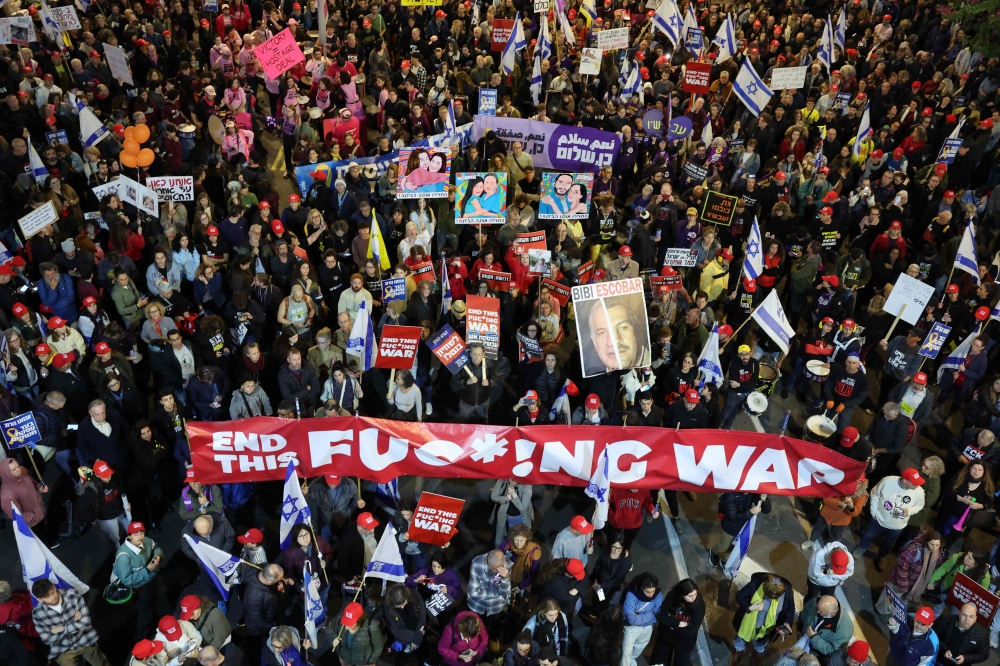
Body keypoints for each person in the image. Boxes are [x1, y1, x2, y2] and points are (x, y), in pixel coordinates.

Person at [854, 468, 926, 571]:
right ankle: (861, 548)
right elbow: (875, 494)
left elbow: (920, 505)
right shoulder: (887, 481)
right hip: (878, 520)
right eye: (914, 483)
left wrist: (908, 511)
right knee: (867, 535)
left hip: (897, 526)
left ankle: (882, 557)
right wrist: (874, 512)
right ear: (905, 481)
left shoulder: (918, 491)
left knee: (888, 544)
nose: (917, 485)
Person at [31, 579, 111, 666]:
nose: (53, 597)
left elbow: (85, 621)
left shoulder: (72, 595)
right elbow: (47, 639)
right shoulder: (37, 613)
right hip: (62, 649)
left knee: (103, 664)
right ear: (40, 599)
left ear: (54, 587)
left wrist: (61, 628)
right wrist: (74, 622)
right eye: (47, 597)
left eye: (52, 592)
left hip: (85, 638)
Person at [113, 521, 164, 640]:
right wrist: (147, 570)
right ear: (129, 536)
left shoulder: (145, 540)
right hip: (138, 589)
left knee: (155, 601)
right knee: (145, 614)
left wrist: (158, 556)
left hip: (151, 580)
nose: (140, 536)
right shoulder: (124, 556)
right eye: (136, 534)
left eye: (141, 533)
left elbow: (156, 547)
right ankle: (141, 639)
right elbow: (126, 580)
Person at [731, 574, 794, 662]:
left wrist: (787, 622)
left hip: (767, 629)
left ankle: (757, 654)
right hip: (749, 624)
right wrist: (750, 607)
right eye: (768, 597)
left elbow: (790, 609)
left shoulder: (787, 593)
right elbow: (740, 596)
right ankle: (738, 651)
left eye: (774, 598)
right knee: (741, 639)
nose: (771, 600)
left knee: (761, 644)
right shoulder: (756, 583)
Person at [648, 579, 704, 666]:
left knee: (682, 662)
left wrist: (672, 625)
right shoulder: (672, 596)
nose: (694, 598)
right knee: (659, 661)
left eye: (695, 594)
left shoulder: (699, 604)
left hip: (684, 638)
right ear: (682, 595)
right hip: (667, 635)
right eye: (690, 596)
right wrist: (677, 623)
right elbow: (662, 615)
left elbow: (693, 628)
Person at [621, 572, 662, 666]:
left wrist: (639, 617)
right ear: (641, 588)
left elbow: (658, 613)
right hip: (631, 627)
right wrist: (651, 614)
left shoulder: (657, 594)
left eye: (653, 591)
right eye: (648, 592)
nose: (651, 595)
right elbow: (631, 619)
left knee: (640, 646)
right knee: (626, 653)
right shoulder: (631, 595)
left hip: (647, 627)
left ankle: (632, 660)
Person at [333, 602, 385, 666]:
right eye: (345, 620)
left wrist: (371, 661)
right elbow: (335, 633)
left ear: (359, 620)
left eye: (350, 622)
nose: (346, 625)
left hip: (363, 662)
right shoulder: (340, 619)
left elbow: (378, 646)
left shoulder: (371, 626)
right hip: (345, 658)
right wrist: (335, 641)